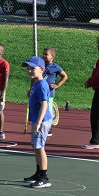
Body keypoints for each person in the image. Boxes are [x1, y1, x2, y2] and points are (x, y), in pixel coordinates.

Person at [21, 56, 54, 188]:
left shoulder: (42, 85)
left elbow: (44, 105)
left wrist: (39, 122)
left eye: (32, 68)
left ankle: (44, 177)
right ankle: (38, 173)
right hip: (36, 119)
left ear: (41, 69)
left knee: (40, 148)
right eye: (28, 68)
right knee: (36, 147)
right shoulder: (36, 83)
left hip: (42, 120)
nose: (29, 71)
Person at [42, 47, 68, 136]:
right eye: (43, 54)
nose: (44, 56)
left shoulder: (55, 67)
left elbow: (64, 76)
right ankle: (41, 126)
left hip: (49, 93)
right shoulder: (40, 65)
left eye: (46, 54)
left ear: (52, 56)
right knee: (40, 109)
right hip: (40, 91)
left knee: (47, 110)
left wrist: (57, 85)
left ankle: (48, 128)